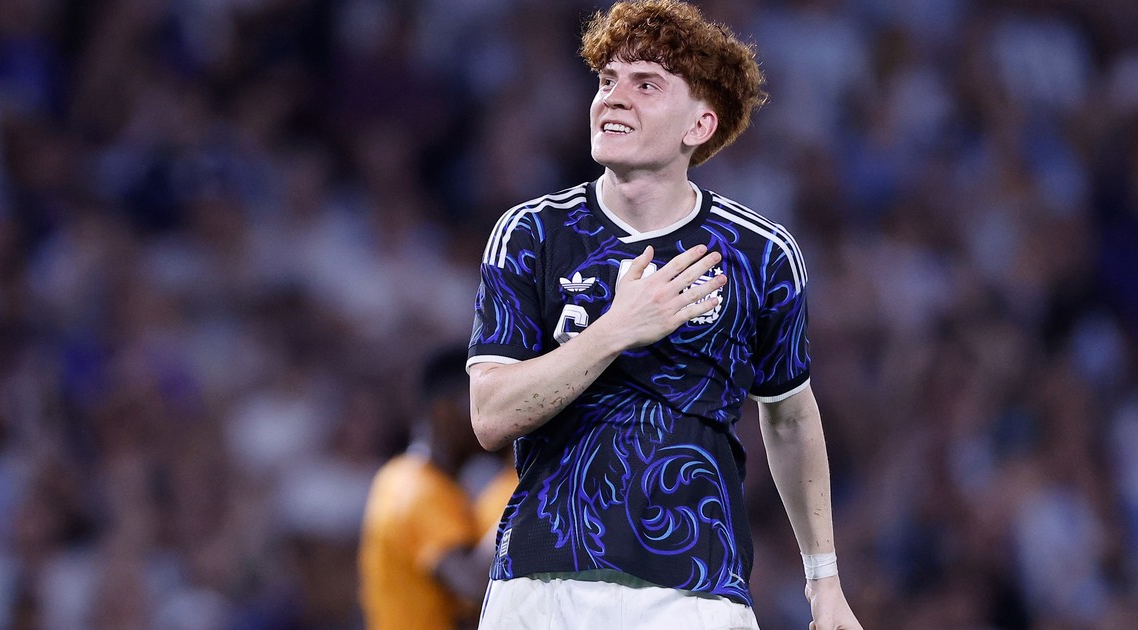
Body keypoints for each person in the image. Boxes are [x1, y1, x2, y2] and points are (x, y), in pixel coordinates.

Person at [466, 1, 864, 628]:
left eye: (646, 84)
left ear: (699, 124)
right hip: (543, 582)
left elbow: (789, 418)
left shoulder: (760, 254)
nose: (613, 98)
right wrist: (616, 329)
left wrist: (825, 583)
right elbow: (490, 416)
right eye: (607, 80)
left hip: (696, 590)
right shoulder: (532, 235)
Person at [357, 346, 492, 630]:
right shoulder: (420, 490)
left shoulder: (400, 476)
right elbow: (474, 584)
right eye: (480, 401)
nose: (493, 413)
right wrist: (529, 498)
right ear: (444, 411)